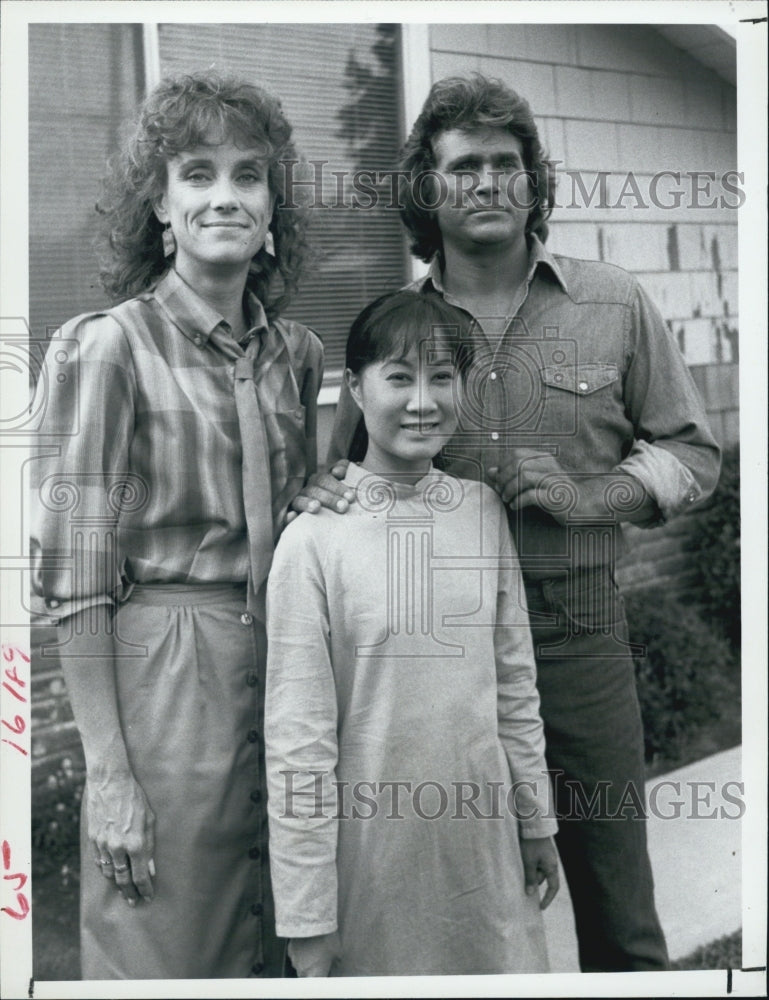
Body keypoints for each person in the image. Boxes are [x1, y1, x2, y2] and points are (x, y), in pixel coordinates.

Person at [303, 75, 722, 973]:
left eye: (505, 163)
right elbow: (347, 477)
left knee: (619, 913)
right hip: (433, 657)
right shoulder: (397, 326)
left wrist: (591, 495)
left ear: (533, 180)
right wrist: (317, 493)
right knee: (451, 914)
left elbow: (693, 454)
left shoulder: (610, 301)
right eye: (462, 166)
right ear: (428, 189)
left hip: (578, 638)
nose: (486, 182)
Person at [30, 71, 323, 979]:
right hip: (164, 671)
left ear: (274, 205)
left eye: (248, 176)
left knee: (286, 926)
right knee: (168, 939)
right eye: (197, 175)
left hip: (286, 665)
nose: (224, 197)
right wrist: (110, 773)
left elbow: (296, 508)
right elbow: (76, 580)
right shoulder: (109, 347)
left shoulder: (295, 355)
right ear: (160, 204)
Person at [265, 290, 559, 977]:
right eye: (398, 378)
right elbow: (296, 742)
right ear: (357, 390)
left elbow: (514, 685)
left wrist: (536, 820)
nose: (421, 401)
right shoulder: (311, 542)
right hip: (372, 863)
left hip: (483, 851)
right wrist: (308, 915)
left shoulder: (481, 512)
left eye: (441, 378)